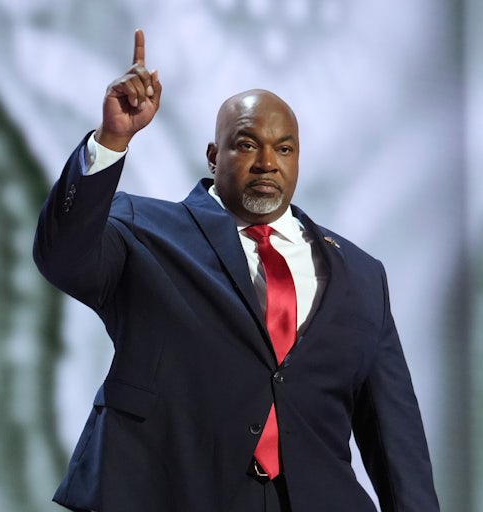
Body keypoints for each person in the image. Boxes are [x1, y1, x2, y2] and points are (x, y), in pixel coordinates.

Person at [33, 29, 440, 512]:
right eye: (247, 145)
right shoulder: (144, 229)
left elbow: (396, 437)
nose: (267, 163)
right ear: (214, 154)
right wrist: (112, 140)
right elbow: (63, 256)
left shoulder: (360, 273)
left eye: (284, 149)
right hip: (167, 493)